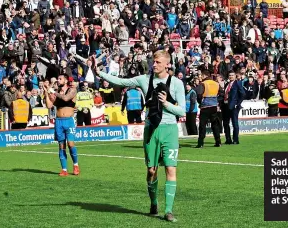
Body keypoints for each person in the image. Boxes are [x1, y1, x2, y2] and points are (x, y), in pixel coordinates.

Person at [97, 50, 186, 222]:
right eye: (154, 61)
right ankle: (153, 203)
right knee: (151, 171)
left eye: (158, 62)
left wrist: (166, 103)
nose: (154, 64)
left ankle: (168, 210)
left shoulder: (176, 83)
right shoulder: (144, 80)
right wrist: (98, 71)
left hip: (170, 130)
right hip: (151, 129)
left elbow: (182, 110)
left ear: (167, 64)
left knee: (170, 168)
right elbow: (120, 81)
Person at [44, 74, 80, 176]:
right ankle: (64, 169)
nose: (58, 80)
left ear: (66, 80)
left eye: (60, 79)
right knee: (61, 146)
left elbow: (65, 98)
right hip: (59, 121)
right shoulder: (57, 93)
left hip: (69, 121)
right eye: (58, 79)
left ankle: (76, 165)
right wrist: (47, 93)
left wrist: (53, 92)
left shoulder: (72, 90)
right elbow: (49, 105)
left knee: (70, 144)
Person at [196, 70, 221, 148]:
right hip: (214, 106)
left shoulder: (203, 84)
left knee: (202, 125)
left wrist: (200, 103)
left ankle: (200, 143)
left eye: (201, 76)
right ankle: (218, 142)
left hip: (205, 107)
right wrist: (216, 101)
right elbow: (222, 93)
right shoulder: (216, 84)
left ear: (204, 76)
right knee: (215, 125)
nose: (200, 77)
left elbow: (199, 95)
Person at [224, 71, 245, 145]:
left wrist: (237, 103)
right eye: (229, 75)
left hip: (234, 107)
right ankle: (228, 139)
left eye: (232, 75)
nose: (231, 76)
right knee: (226, 123)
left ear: (235, 76)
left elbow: (243, 94)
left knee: (234, 123)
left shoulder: (237, 83)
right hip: (226, 106)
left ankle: (235, 140)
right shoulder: (227, 84)